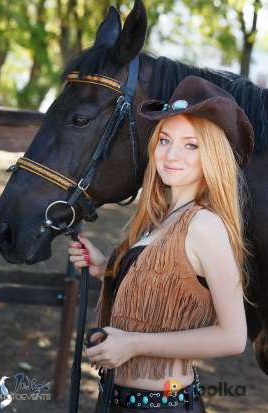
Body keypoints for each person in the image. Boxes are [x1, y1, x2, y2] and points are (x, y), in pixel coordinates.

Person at [68, 76, 255, 412]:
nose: (171, 154)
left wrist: (134, 344)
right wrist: (106, 271)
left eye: (191, 145)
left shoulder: (204, 224)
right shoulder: (161, 217)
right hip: (114, 401)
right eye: (165, 140)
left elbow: (233, 337)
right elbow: (169, 284)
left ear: (211, 155)